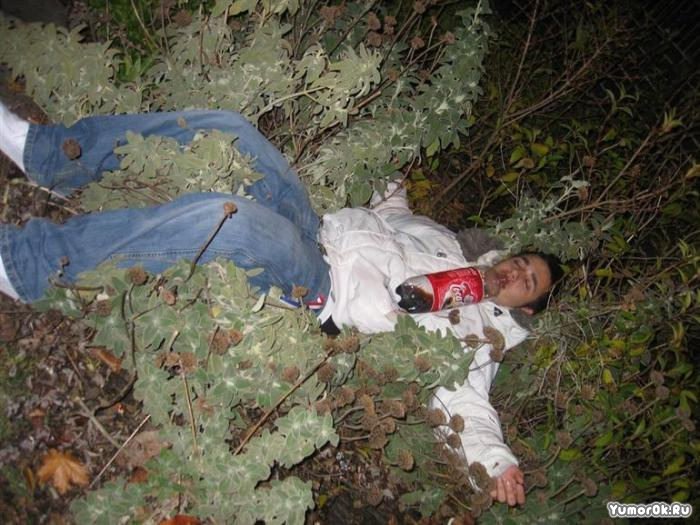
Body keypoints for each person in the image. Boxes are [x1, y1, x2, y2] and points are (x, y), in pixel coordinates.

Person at [0, 104, 561, 506]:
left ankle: (28, 266)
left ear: (526, 309)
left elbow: (465, 407)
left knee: (233, 224)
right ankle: (51, 156)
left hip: (322, 289)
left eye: (528, 282)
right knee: (232, 130)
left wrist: (496, 462)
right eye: (522, 262)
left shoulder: (478, 341)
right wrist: (390, 156)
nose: (517, 273)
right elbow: (393, 214)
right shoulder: (449, 244)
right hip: (319, 229)